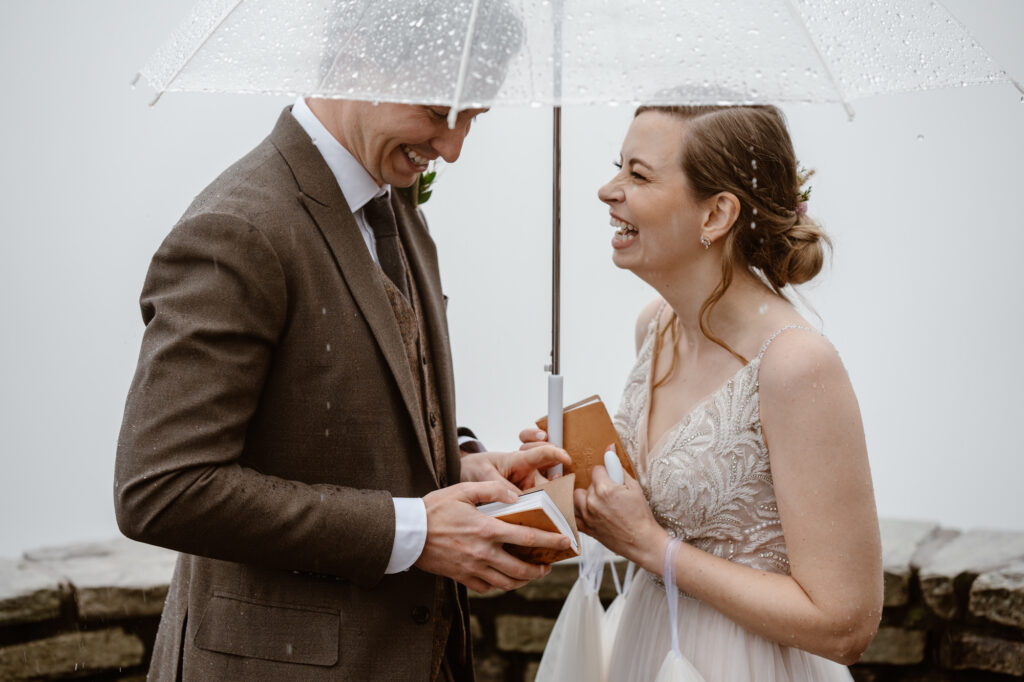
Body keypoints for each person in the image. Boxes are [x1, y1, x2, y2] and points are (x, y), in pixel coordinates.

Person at [113, 69, 573, 682]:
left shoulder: (395, 204)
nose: (454, 147)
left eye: (474, 118)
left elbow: (353, 403)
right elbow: (163, 487)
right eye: (440, 110)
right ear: (361, 60)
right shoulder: (237, 228)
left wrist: (456, 466)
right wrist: (412, 532)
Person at [528, 104, 883, 680]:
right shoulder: (655, 327)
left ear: (717, 214)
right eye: (618, 167)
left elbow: (846, 624)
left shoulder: (795, 366)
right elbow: (663, 512)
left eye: (637, 176)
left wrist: (651, 548)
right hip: (648, 645)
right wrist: (589, 489)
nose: (606, 190)